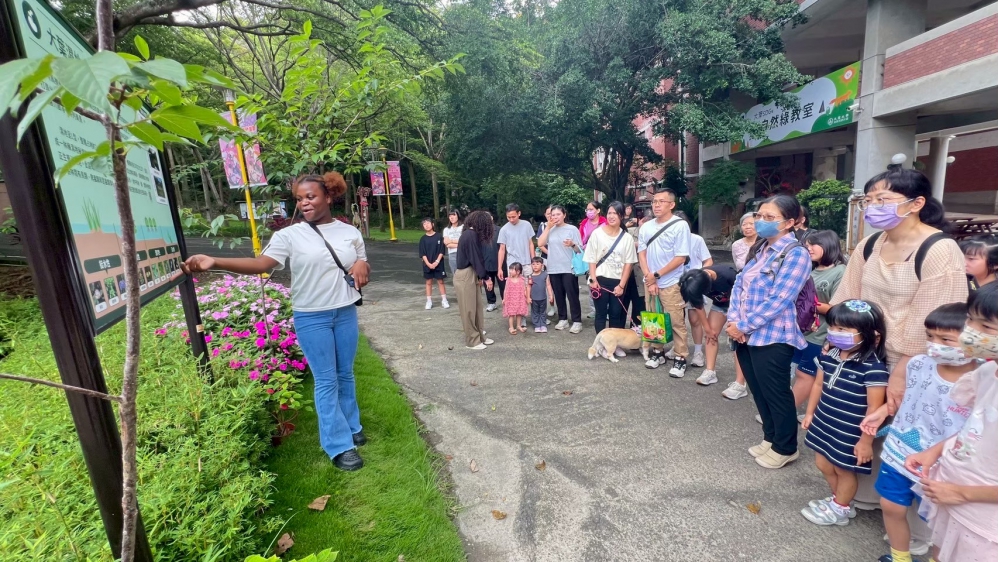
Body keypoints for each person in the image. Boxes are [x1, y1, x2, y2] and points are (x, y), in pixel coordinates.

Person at [181, 172, 370, 471]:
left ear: (328, 196)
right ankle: (338, 445)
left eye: (311, 196)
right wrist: (215, 262)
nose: (304, 203)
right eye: (299, 199)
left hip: (345, 311)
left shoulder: (349, 232)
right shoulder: (289, 236)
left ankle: (352, 425)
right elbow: (260, 264)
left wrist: (361, 263)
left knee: (345, 374)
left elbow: (360, 260)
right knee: (326, 380)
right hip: (312, 316)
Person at [830, 167, 967, 543]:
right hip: (867, 353)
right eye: (869, 200)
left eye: (883, 199)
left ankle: (919, 529)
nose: (873, 207)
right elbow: (848, 296)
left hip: (916, 361)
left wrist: (903, 371)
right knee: (866, 427)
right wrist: (839, 337)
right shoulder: (870, 244)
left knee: (913, 433)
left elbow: (935, 318)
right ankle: (871, 498)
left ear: (916, 203)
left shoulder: (939, 249)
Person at [859, 303, 977, 562]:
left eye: (946, 339)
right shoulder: (919, 364)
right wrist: (883, 412)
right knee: (891, 505)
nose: (935, 344)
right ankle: (900, 557)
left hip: (943, 465)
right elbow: (908, 397)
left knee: (941, 526)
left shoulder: (981, 382)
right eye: (930, 336)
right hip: (900, 449)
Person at [904, 283, 998, 562]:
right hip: (951, 491)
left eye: (986, 327)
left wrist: (962, 493)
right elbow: (976, 427)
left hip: (982, 516)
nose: (971, 331)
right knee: (941, 551)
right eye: (971, 319)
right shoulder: (987, 372)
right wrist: (934, 451)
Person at [727, 195, 813, 469]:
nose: (761, 221)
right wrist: (734, 322)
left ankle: (786, 447)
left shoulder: (796, 254)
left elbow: (780, 299)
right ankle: (770, 437)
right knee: (759, 391)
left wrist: (743, 325)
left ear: (789, 222)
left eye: (769, 217)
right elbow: (738, 286)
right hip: (745, 335)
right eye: (759, 215)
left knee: (776, 393)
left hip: (773, 337)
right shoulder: (761, 249)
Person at [799, 300, 889, 525]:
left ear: (872, 335)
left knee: (844, 470)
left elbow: (874, 409)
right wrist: (810, 413)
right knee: (822, 464)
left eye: (843, 329)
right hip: (824, 421)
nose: (834, 333)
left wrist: (866, 441)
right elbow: (818, 384)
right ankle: (839, 500)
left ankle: (840, 507)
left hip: (850, 432)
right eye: (832, 327)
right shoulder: (830, 354)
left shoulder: (874, 368)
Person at [791, 230, 847, 414]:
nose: (808, 248)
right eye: (806, 245)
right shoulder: (810, 270)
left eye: (813, 244)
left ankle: (784, 415)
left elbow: (840, 310)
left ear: (827, 245)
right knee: (800, 372)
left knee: (805, 374)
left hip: (821, 335)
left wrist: (809, 305)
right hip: (802, 332)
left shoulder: (840, 272)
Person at [638, 190, 692, 376]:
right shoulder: (646, 227)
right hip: (650, 281)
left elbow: (681, 257)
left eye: (661, 201)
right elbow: (642, 253)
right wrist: (649, 277)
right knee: (654, 319)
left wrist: (656, 275)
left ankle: (680, 357)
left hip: (671, 282)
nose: (657, 205)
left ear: (672, 204)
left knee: (676, 321)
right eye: (654, 201)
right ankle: (657, 352)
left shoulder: (680, 225)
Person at [583, 201, 638, 333]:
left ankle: (613, 342)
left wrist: (622, 285)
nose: (611, 216)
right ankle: (601, 341)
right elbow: (591, 258)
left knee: (615, 314)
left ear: (622, 216)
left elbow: (629, 263)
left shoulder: (627, 238)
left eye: (615, 213)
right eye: (609, 213)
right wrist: (593, 279)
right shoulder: (597, 234)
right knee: (600, 314)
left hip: (618, 282)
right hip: (599, 280)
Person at [678, 264, 737, 386]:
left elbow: (745, 295)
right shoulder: (693, 281)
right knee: (711, 336)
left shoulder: (728, 275)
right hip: (720, 305)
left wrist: (734, 321)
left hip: (738, 306)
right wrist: (707, 329)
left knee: (737, 340)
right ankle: (710, 372)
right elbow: (698, 304)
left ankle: (740, 381)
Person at [537, 205, 584, 333]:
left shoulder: (572, 229)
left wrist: (572, 244)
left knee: (572, 295)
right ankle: (563, 319)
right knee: (558, 295)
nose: (555, 217)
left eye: (558, 214)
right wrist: (548, 227)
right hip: (553, 267)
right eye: (553, 215)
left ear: (564, 215)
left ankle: (577, 321)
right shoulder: (549, 229)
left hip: (568, 267)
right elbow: (540, 243)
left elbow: (579, 250)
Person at [675, 211, 713, 368]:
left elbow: (708, 260)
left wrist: (698, 275)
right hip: (673, 284)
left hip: (691, 284)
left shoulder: (696, 240)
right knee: (675, 318)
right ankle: (677, 347)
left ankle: (698, 352)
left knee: (694, 319)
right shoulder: (669, 240)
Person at [454, 211, 496, 350]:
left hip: (471, 273)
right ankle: (472, 341)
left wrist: (480, 276)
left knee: (477, 308)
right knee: (469, 310)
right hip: (465, 275)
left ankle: (480, 337)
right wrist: (486, 277)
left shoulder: (470, 234)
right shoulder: (470, 235)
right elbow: (476, 258)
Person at [580, 201, 608, 319]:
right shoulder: (584, 224)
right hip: (588, 255)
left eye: (591, 209)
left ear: (598, 210)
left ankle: (606, 310)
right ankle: (594, 309)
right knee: (591, 281)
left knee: (604, 282)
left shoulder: (605, 223)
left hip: (603, 256)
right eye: (587, 209)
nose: (589, 212)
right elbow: (581, 239)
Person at [418, 217, 449, 310]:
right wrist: (428, 264)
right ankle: (429, 301)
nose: (426, 225)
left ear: (432, 224)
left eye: (428, 223)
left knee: (440, 281)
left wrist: (436, 262)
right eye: (424, 224)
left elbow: (441, 251)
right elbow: (422, 254)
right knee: (428, 282)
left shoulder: (439, 236)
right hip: (427, 264)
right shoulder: (423, 239)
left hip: (438, 263)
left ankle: (444, 300)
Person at [528, 257, 553, 333]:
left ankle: (543, 325)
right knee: (535, 312)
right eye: (533, 264)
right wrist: (528, 297)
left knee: (543, 312)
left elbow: (548, 285)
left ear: (542, 265)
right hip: (534, 298)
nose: (535, 266)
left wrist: (551, 295)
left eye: (537, 264)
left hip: (543, 298)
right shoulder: (530, 276)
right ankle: (537, 325)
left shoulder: (545, 275)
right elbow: (528, 287)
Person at [503, 262, 529, 334]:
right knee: (511, 314)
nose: (510, 271)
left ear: (518, 272)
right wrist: (504, 299)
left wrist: (527, 297)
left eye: (512, 270)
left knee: (519, 313)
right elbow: (505, 290)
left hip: (519, 299)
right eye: (510, 269)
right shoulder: (508, 280)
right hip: (510, 300)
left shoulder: (522, 280)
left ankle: (518, 326)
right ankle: (511, 327)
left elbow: (525, 289)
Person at [484, 213, 501, 311]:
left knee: (503, 285)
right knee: (488, 285)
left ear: (491, 217)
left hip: (499, 262)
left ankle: (506, 302)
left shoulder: (499, 230)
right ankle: (491, 302)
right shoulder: (480, 232)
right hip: (486, 262)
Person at [443, 209, 464, 279]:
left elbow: (464, 241)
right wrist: (460, 244)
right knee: (455, 275)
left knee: (464, 274)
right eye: (450, 216)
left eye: (454, 215)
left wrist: (451, 241)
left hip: (463, 253)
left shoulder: (463, 227)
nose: (451, 217)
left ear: (458, 216)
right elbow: (447, 243)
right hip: (452, 254)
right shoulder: (446, 229)